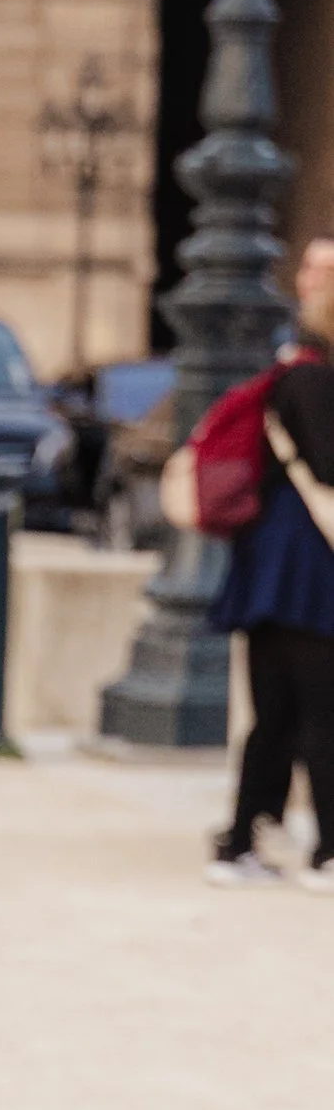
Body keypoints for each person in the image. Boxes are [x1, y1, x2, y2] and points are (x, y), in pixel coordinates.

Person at [210, 233, 334, 889]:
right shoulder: (312, 379)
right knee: (317, 713)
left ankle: (239, 843)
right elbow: (328, 464)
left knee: (277, 713)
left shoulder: (292, 372)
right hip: (304, 564)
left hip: (274, 561)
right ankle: (325, 851)